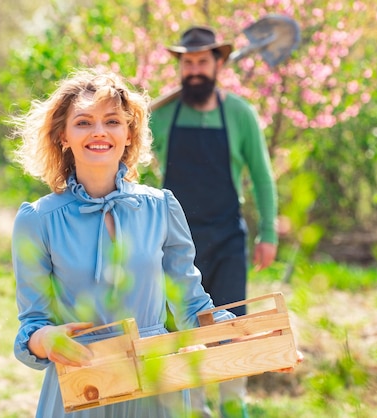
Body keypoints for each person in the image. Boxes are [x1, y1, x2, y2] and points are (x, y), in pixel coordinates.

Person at [9, 68, 239, 418]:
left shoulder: (161, 207)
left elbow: (193, 307)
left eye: (112, 121)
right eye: (83, 122)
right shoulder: (37, 220)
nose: (99, 132)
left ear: (129, 133)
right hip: (83, 384)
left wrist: (251, 341)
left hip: (156, 383)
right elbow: (32, 324)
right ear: (62, 136)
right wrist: (45, 340)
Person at [149, 26, 279, 418]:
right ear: (179, 67)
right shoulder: (161, 116)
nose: (194, 70)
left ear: (219, 63)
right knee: (178, 328)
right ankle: (190, 410)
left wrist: (268, 232)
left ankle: (232, 407)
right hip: (172, 242)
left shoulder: (239, 113)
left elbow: (261, 175)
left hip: (226, 237)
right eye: (187, 62)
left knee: (231, 327)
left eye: (202, 61)